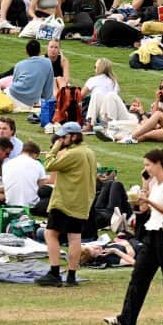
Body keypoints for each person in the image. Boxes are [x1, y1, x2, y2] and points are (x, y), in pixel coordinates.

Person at [105, 149, 163, 325]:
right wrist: (143, 192)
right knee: (139, 276)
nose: (146, 169)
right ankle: (126, 319)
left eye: (148, 165)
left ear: (158, 164)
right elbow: (144, 210)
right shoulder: (153, 184)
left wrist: (149, 201)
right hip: (151, 235)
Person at [35, 122, 97, 287]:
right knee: (74, 237)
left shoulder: (73, 153)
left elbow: (49, 165)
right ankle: (71, 276)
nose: (61, 139)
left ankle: (54, 273)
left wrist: (54, 148)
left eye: (64, 137)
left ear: (74, 136)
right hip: (82, 201)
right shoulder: (89, 152)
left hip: (66, 200)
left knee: (50, 234)